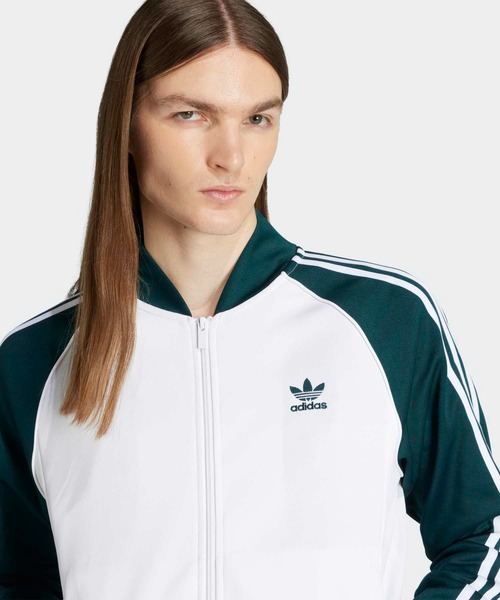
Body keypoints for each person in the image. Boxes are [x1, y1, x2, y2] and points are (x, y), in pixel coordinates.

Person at [1, 0, 499, 598]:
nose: (231, 157)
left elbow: (483, 533)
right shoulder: (33, 363)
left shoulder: (385, 319)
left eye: (258, 118)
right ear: (126, 125)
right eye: (190, 114)